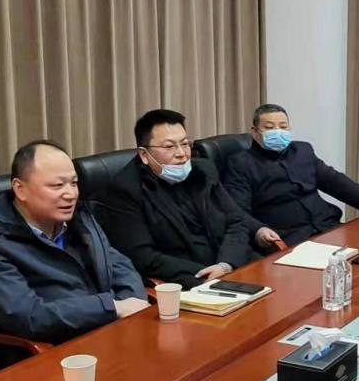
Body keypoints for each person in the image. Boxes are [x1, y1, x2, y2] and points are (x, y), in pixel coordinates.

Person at [0, 141, 149, 344]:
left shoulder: (78, 219)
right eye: (57, 186)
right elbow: (30, 317)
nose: (71, 195)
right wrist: (112, 308)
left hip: (111, 332)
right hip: (60, 349)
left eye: (74, 183)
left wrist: (132, 304)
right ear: (20, 189)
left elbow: (119, 265)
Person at [95, 109, 252, 288]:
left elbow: (237, 221)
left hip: (231, 264)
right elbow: (143, 257)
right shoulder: (125, 191)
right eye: (169, 147)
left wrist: (226, 264)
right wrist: (206, 273)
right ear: (144, 155)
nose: (182, 154)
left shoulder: (203, 171)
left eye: (185, 144)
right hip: (187, 279)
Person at [223, 104, 359, 248]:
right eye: (270, 127)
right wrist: (258, 230)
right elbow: (238, 210)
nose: (278, 131)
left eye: (283, 126)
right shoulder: (240, 163)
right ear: (255, 132)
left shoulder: (302, 150)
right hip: (286, 237)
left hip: (327, 226)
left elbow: (334, 181)